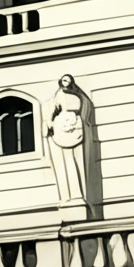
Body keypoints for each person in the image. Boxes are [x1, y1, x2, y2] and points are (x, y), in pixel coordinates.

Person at [45, 74, 93, 204]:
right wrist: (50, 125)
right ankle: (69, 195)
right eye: (64, 80)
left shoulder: (79, 95)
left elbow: (85, 109)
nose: (66, 82)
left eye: (68, 80)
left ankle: (77, 194)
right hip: (62, 127)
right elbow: (53, 110)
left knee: (77, 160)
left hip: (75, 126)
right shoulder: (58, 95)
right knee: (65, 161)